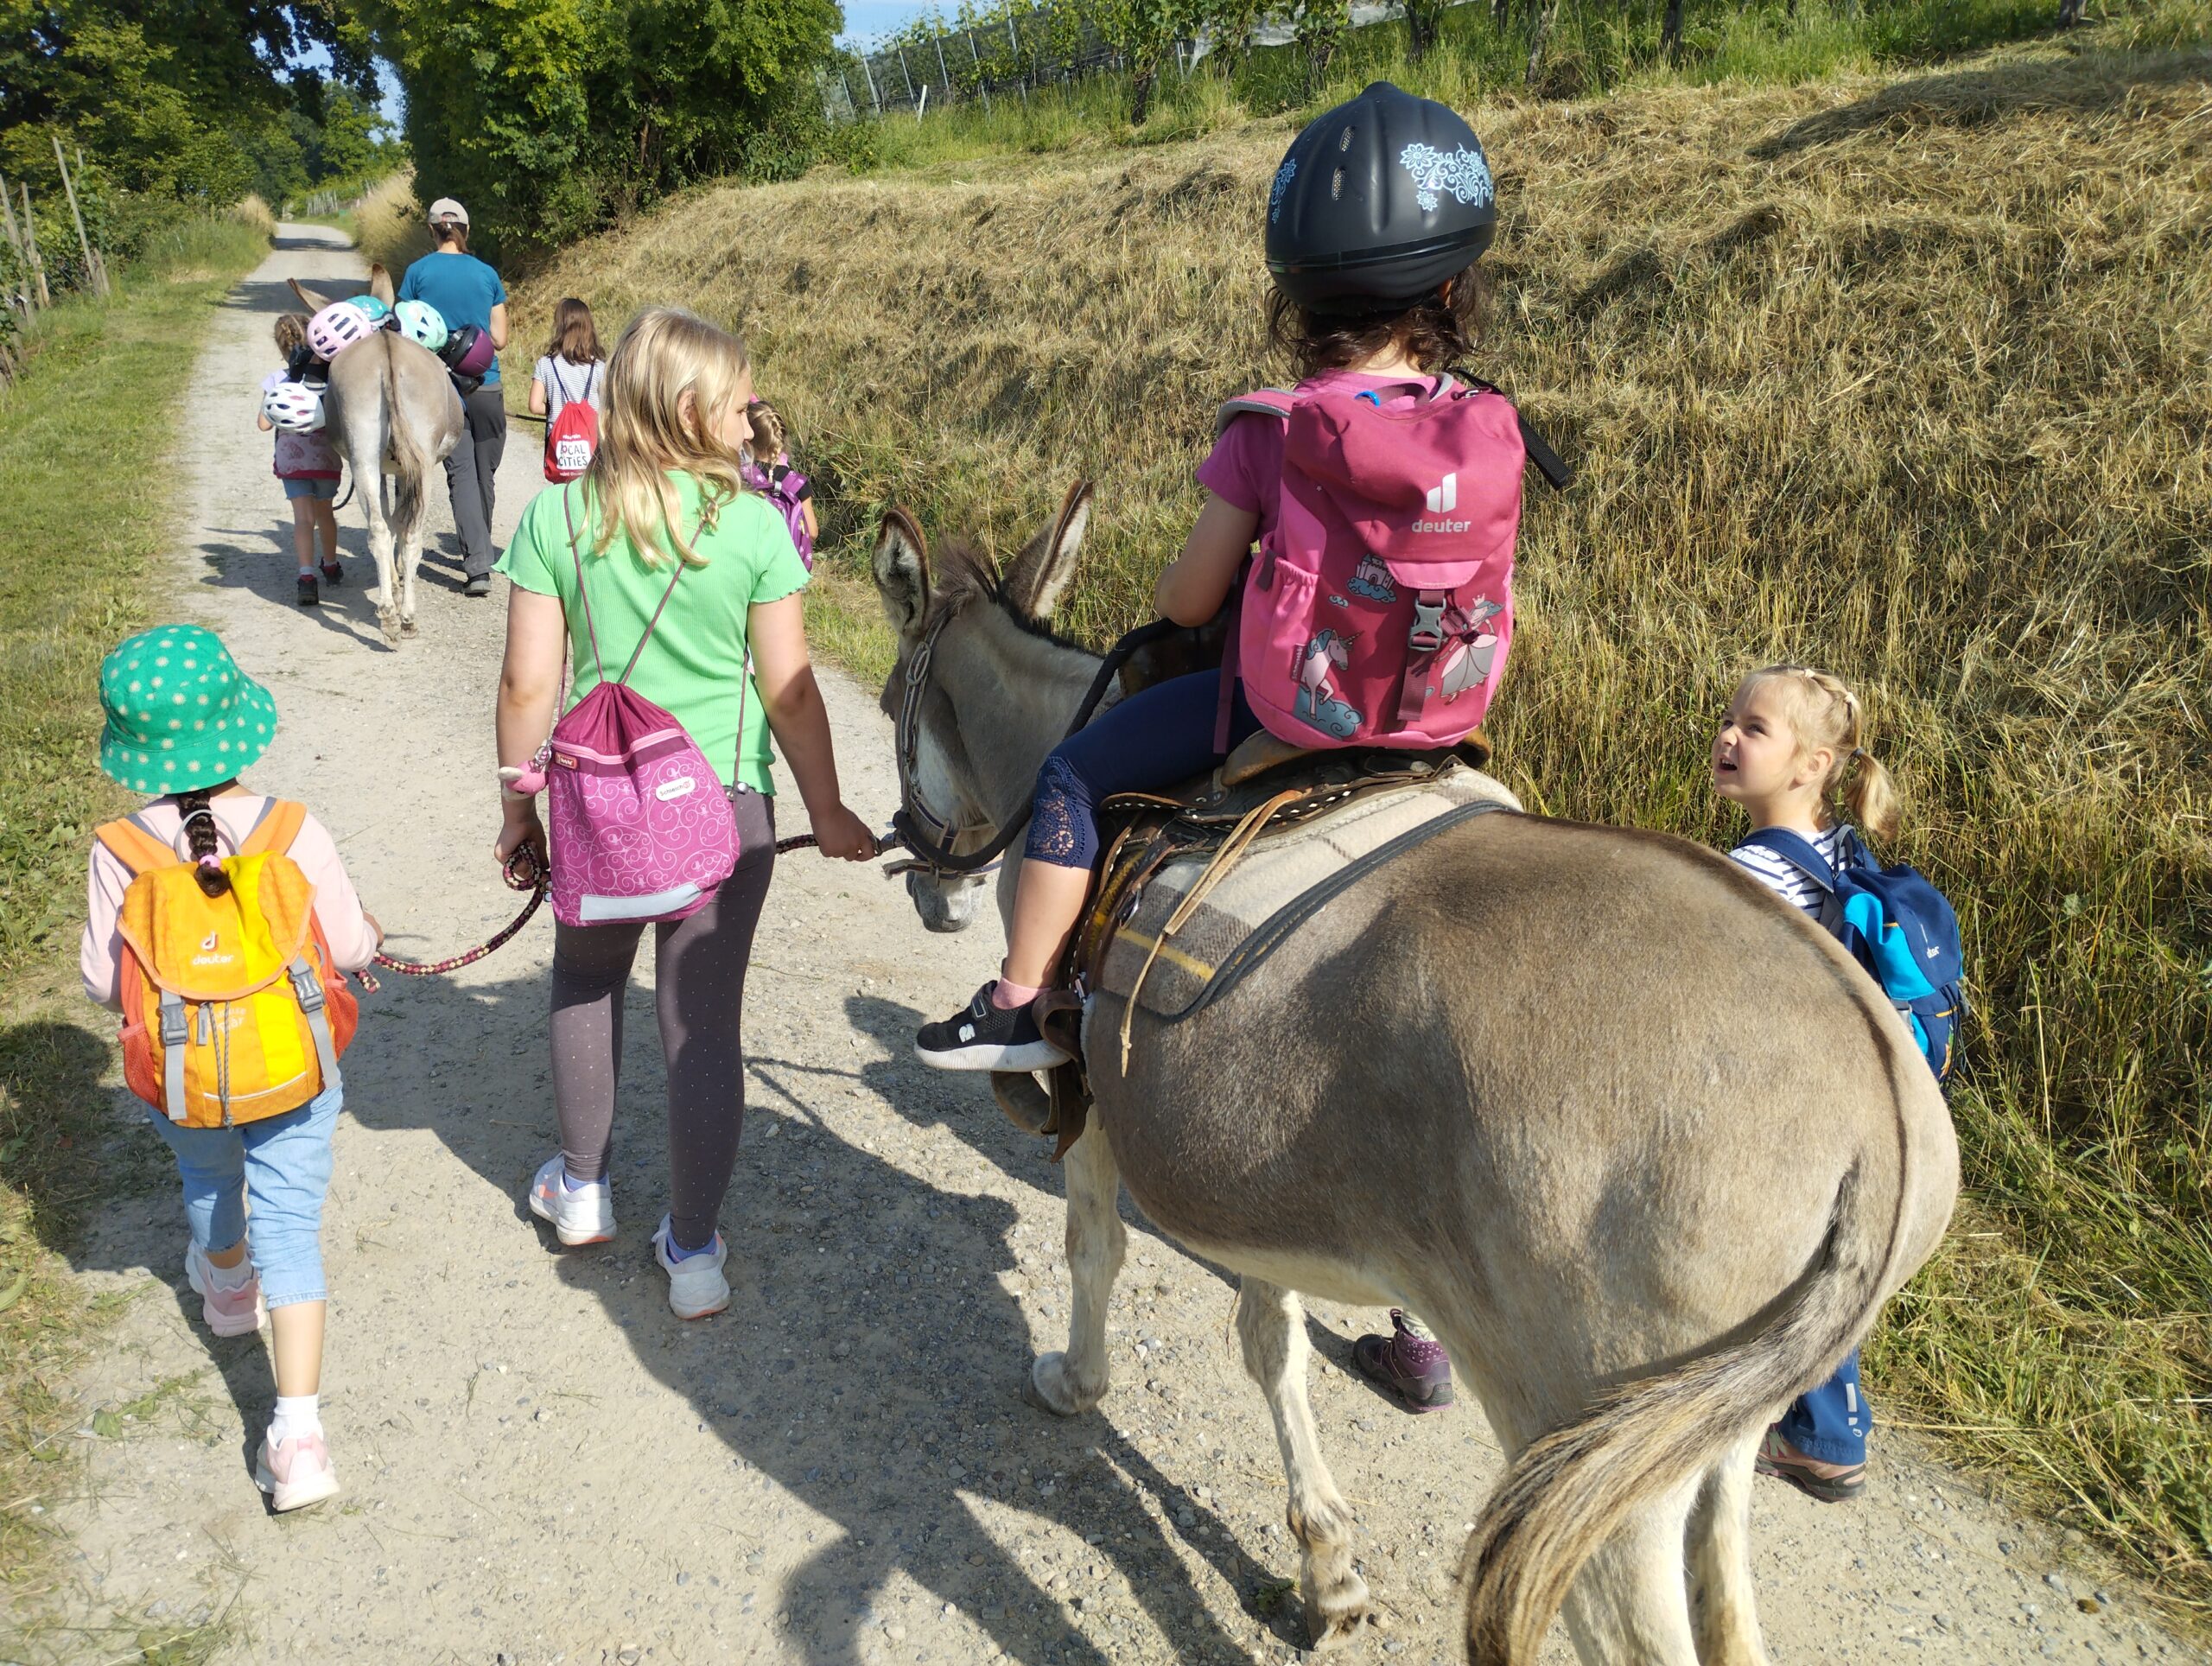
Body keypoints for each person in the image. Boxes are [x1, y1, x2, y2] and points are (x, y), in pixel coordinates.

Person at [492, 307, 878, 1321]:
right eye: (738, 394)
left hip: (594, 808)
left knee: (583, 979)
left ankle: (580, 1189)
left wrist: (516, 810)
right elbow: (790, 688)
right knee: (701, 1022)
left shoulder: (558, 518)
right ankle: (695, 1251)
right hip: (723, 812)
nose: (753, 411)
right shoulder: (753, 525)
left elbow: (528, 682)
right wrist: (828, 807)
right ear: (689, 409)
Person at [80, 625, 380, 1511]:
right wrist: (369, 947)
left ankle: (224, 1287)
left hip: (185, 1076)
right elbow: (353, 942)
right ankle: (298, 1436)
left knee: (207, 1174)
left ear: (133, 748)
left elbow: (105, 979)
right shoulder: (293, 827)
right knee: (292, 1219)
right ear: (240, 722)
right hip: (293, 1066)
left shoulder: (120, 849)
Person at [1712, 662, 1903, 1503]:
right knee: (1820, 1258)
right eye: (1727, 719)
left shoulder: (1749, 874)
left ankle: (1802, 1429)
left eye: (1754, 728)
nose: (1726, 736)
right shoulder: (1844, 850)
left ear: (1812, 763)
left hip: (1776, 1096)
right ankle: (1828, 1432)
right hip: (1847, 1090)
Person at [397, 196, 509, 597]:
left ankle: (478, 566)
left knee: (461, 473)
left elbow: (405, 330)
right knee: (485, 473)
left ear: (432, 230)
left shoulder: (417, 272)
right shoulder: (486, 274)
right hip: (488, 385)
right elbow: (500, 338)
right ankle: (481, 553)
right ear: (465, 230)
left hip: (442, 388)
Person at [259, 314, 343, 607]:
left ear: (280, 346)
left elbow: (264, 424)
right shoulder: (329, 375)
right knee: (325, 514)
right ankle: (331, 564)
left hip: (292, 461)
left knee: (303, 519)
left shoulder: (276, 379)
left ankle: (306, 577)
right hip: (324, 456)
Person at [529, 296, 607, 425]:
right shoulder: (599, 367)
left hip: (558, 440)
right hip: (590, 438)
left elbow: (535, 406)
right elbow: (606, 408)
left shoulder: (545, 364)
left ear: (560, 327)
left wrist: (556, 409)